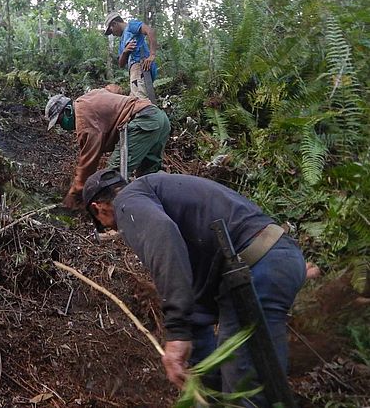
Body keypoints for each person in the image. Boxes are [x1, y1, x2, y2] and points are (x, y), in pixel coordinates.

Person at [81, 168, 307, 406]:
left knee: (245, 391)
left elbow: (164, 241)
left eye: (106, 225)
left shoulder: (127, 203)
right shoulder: (159, 190)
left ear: (98, 208)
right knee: (230, 380)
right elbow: (194, 271)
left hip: (256, 270)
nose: (114, 229)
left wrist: (177, 330)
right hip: (270, 259)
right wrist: (191, 336)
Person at [45, 89, 170, 210]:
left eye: (60, 122)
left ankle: (118, 215)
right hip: (158, 117)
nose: (62, 127)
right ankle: (164, 204)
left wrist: (74, 192)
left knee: (114, 174)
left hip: (143, 122)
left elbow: (89, 160)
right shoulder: (89, 97)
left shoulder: (83, 120)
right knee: (149, 175)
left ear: (68, 111)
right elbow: (114, 88)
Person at [104, 12, 158, 100]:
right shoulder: (122, 42)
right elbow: (121, 64)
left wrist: (152, 55)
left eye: (111, 30)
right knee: (134, 100)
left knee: (140, 100)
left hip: (141, 66)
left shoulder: (131, 26)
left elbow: (150, 31)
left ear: (114, 23)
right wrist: (125, 52)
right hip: (134, 72)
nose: (112, 34)